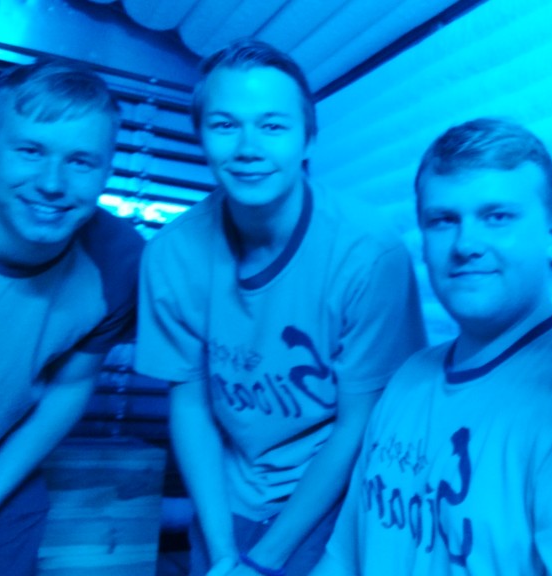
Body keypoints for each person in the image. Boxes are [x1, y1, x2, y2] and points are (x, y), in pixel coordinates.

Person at [313, 118, 552, 575]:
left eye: (497, 217)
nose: (466, 244)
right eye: (443, 220)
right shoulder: (408, 379)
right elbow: (343, 559)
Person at [135, 40, 427, 576]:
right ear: (200, 136)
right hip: (227, 496)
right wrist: (223, 551)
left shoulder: (368, 254)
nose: (248, 147)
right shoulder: (171, 255)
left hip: (335, 497)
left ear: (308, 138)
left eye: (272, 126)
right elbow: (191, 406)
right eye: (225, 125)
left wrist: (264, 562)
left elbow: (360, 421)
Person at [0, 58, 143, 575]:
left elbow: (70, 388)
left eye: (81, 161)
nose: (53, 183)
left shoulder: (118, 261)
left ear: (107, 170)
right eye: (30, 150)